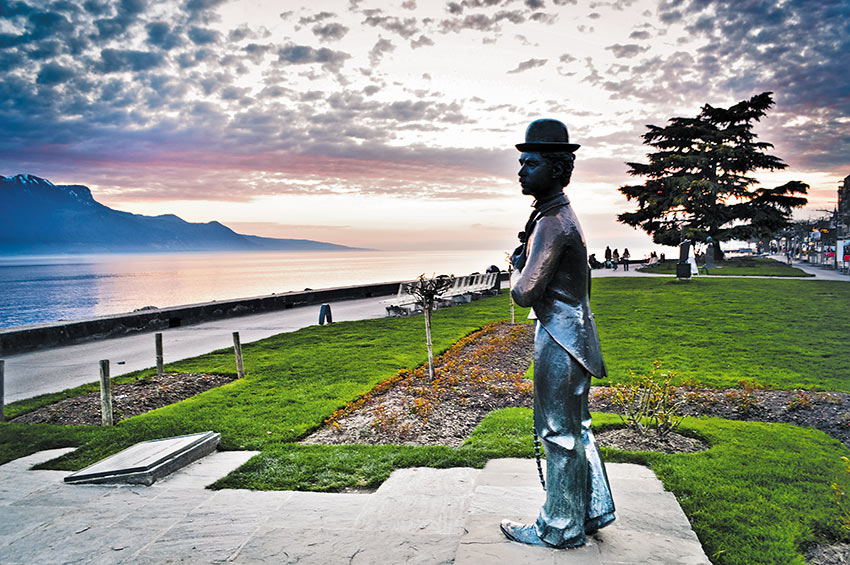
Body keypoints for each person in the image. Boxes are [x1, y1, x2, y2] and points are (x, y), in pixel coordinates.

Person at [503, 118, 615, 549]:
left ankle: (559, 527)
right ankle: (591, 510)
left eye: (528, 163)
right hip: (574, 333)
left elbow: (525, 293)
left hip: (560, 335)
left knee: (557, 431)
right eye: (520, 163)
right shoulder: (554, 215)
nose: (520, 171)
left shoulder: (554, 223)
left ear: (555, 169)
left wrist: (515, 266)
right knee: (576, 426)